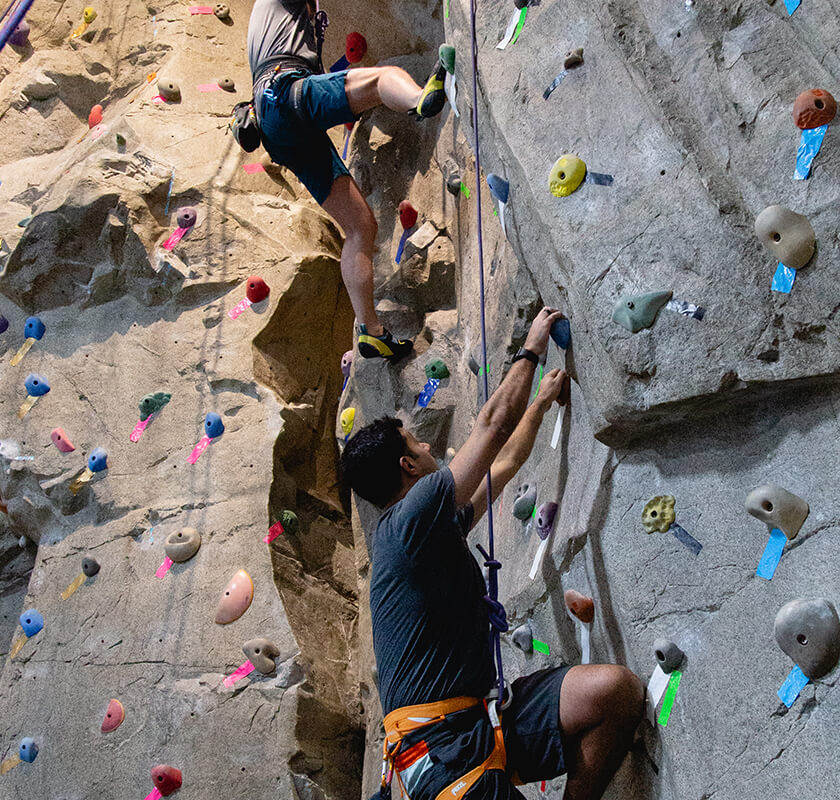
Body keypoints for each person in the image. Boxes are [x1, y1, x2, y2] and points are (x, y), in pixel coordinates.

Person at [341, 307, 644, 800]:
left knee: (615, 693)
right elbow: (492, 426)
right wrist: (532, 349)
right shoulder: (406, 522)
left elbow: (503, 462)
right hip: (439, 755)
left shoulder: (426, 533)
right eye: (417, 442)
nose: (426, 447)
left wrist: (541, 403)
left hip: (482, 720)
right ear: (407, 466)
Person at [247, 0, 450, 362]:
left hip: (274, 124)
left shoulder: (270, 26)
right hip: (285, 90)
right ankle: (419, 99)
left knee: (360, 226)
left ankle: (370, 333)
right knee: (380, 78)